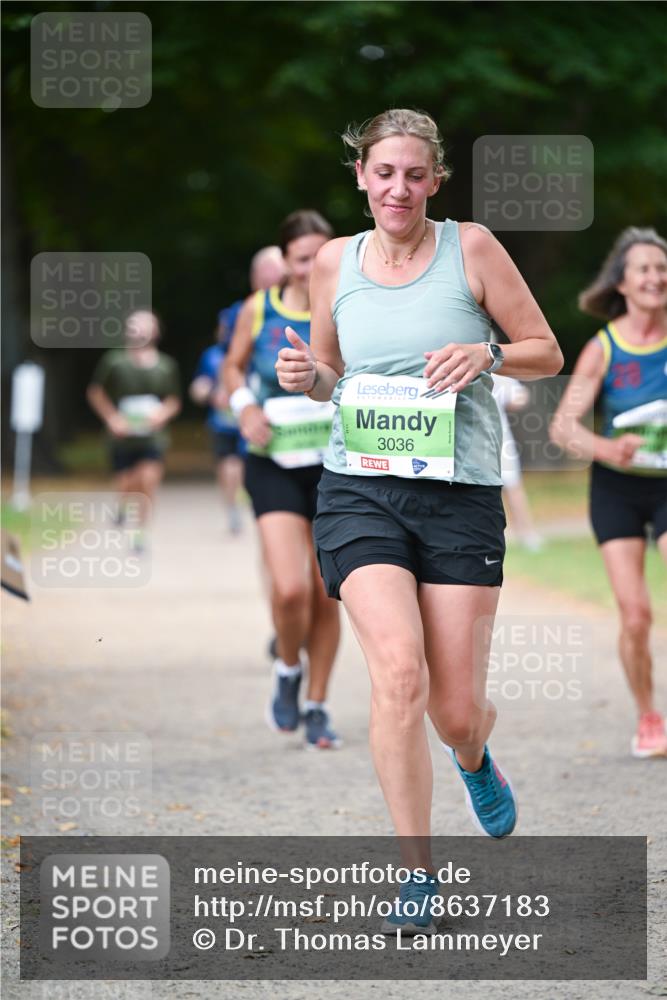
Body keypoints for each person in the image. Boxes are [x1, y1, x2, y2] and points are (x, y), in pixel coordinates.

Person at [276, 109, 562, 931]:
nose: (397, 188)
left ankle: (473, 757)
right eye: (383, 173)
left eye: (413, 174)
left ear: (434, 180)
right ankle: (415, 872)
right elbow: (331, 374)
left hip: (458, 495)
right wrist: (305, 374)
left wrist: (488, 353)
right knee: (399, 674)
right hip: (358, 490)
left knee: (454, 710)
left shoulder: (471, 248)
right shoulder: (333, 260)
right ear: (360, 177)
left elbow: (545, 349)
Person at [224, 211, 342, 750]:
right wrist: (246, 407)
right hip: (272, 460)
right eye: (301, 258)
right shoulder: (259, 308)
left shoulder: (345, 305)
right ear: (285, 261)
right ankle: (288, 668)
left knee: (326, 594)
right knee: (291, 588)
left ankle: (317, 705)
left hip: (334, 464)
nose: (312, 267)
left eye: (321, 255)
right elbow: (232, 368)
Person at [551, 227, 667, 758]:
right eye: (644, 268)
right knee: (636, 614)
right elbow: (563, 427)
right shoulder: (605, 348)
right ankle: (648, 717)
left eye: (662, 268)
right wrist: (607, 448)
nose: (655, 277)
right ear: (622, 282)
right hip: (618, 488)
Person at [190, 247, 286, 534]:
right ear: (254, 278)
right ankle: (240, 507)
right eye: (265, 278)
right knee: (237, 460)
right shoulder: (242, 312)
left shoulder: (308, 304)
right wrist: (226, 390)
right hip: (249, 405)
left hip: (290, 410)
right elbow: (229, 358)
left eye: (276, 277)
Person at [87, 310, 181, 551]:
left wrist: (162, 414)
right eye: (134, 325)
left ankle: (140, 533)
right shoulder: (114, 361)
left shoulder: (166, 366)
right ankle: (122, 505)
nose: (138, 330)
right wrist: (112, 418)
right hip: (122, 437)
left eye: (144, 325)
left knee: (147, 481)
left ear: (155, 331)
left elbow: (174, 400)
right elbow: (96, 392)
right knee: (126, 483)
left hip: (152, 437)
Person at [491, 373, 543, 551]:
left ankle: (525, 531)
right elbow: (518, 399)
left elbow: (517, 398)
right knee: (511, 487)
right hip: (494, 436)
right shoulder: (493, 369)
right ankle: (523, 532)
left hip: (498, 437)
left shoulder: (495, 371)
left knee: (512, 486)